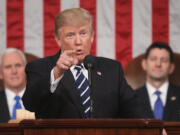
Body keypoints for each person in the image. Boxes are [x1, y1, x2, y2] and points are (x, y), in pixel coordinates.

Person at [22, 8, 142, 119]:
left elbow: (134, 108)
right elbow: (30, 104)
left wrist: (154, 128)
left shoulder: (111, 69)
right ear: (58, 39)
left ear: (92, 37)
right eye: (70, 35)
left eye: (83, 33)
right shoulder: (40, 68)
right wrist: (57, 73)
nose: (78, 41)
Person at [136, 41, 180, 121]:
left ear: (171, 67)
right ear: (144, 64)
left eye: (164, 60)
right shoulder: (130, 99)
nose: (158, 64)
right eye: (153, 59)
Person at [0, 48, 27, 123]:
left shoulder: (42, 100)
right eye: (8, 67)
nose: (14, 71)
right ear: (1, 73)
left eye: (18, 65)